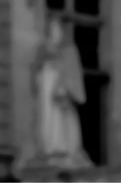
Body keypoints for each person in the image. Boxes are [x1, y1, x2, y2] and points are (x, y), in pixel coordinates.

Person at [32, 16, 91, 169]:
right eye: (52, 30)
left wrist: (62, 87)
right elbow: (37, 73)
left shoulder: (68, 50)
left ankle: (61, 150)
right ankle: (51, 149)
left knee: (61, 122)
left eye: (56, 29)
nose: (54, 33)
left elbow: (71, 74)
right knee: (48, 119)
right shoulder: (44, 50)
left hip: (61, 92)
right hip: (47, 93)